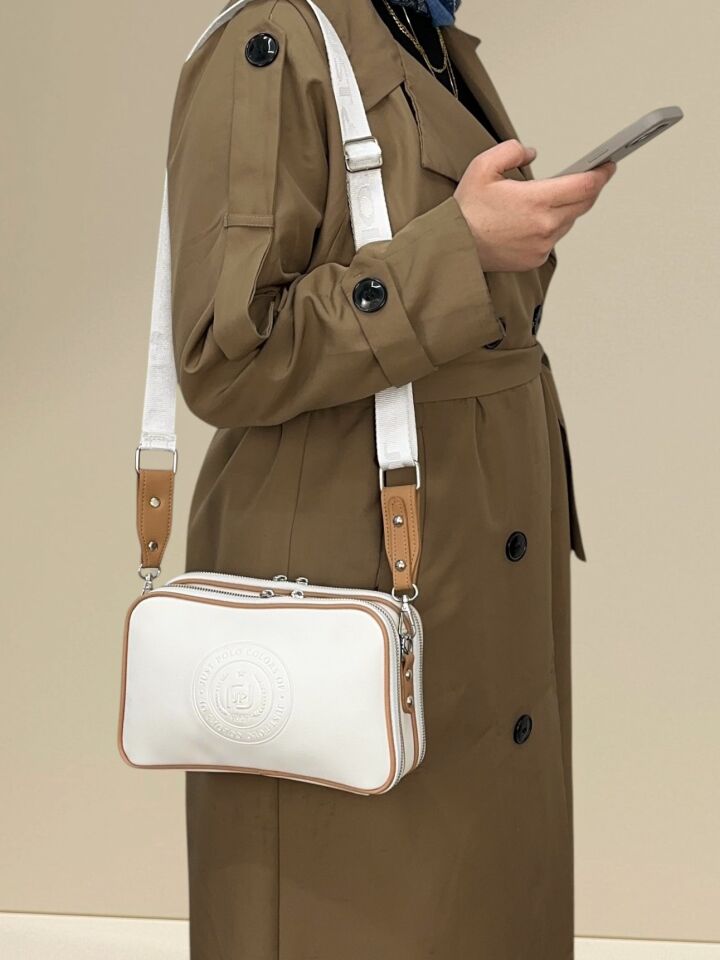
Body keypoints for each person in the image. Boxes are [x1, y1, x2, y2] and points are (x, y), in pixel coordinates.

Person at [167, 0, 616, 956]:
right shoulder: (276, 41)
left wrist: (501, 237)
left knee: (483, 888)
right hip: (356, 551)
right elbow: (224, 354)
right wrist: (461, 249)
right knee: (370, 901)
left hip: (469, 543)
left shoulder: (421, 30)